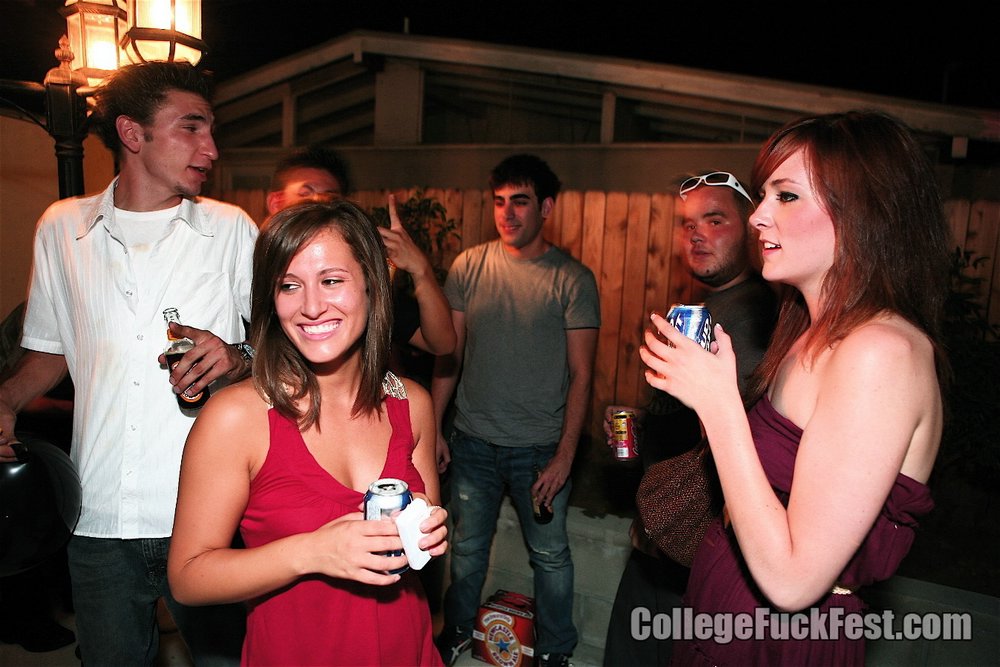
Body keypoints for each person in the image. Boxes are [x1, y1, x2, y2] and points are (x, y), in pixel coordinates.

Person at [640, 110, 950, 664]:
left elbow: (792, 582)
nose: (758, 216)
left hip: (782, 640)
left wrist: (718, 404)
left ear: (863, 213)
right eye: (763, 196)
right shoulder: (808, 333)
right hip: (726, 605)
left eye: (785, 196)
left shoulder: (881, 353)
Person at [0, 61, 254, 666]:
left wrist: (238, 355)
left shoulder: (231, 230)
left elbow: (285, 346)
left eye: (211, 130)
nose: (211, 148)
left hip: (209, 513)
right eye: (191, 127)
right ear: (132, 133)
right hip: (98, 517)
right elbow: (52, 347)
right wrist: (6, 399)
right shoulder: (62, 228)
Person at [167, 200, 449, 666]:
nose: (312, 307)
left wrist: (424, 529)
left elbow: (421, 546)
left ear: (373, 284)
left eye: (331, 280)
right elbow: (187, 578)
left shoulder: (412, 403)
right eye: (289, 285)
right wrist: (313, 551)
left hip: (407, 649)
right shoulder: (236, 418)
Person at [602, 170, 777, 666]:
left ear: (751, 228)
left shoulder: (753, 317)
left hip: (695, 547)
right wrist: (643, 420)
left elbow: (738, 439)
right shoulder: (708, 306)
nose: (697, 233)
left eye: (715, 220)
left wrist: (667, 523)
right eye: (688, 224)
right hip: (666, 540)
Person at [432, 154, 601, 667]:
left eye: (520, 202)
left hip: (540, 449)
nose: (507, 213)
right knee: (465, 549)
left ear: (545, 208)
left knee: (550, 556)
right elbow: (448, 353)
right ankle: (456, 631)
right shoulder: (469, 266)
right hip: (472, 442)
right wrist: (433, 427)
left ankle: (555, 651)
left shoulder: (572, 279)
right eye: (500, 201)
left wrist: (565, 456)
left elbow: (582, 375)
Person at [265, 145, 456, 362]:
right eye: (305, 195)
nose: (312, 307)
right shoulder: (245, 265)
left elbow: (443, 343)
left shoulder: (358, 278)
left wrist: (421, 270)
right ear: (275, 202)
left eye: (331, 281)